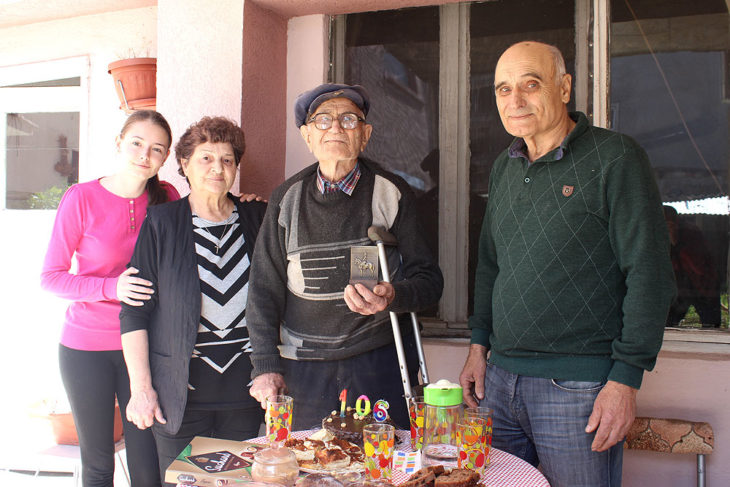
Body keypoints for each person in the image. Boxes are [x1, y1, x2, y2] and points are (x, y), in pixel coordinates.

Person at [458, 41, 675, 487]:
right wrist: (478, 348)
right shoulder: (504, 166)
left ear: (564, 87)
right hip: (499, 380)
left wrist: (625, 380)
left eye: (530, 84)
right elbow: (491, 266)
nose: (515, 100)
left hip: (578, 388)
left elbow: (649, 274)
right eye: (503, 89)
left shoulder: (615, 157)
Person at [246, 83, 443, 429]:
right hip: (304, 367)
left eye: (349, 120)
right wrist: (264, 366)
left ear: (365, 135)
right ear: (307, 136)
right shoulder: (286, 199)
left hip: (378, 360)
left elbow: (429, 281)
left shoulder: (390, 191)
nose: (335, 127)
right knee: (308, 456)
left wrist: (392, 295)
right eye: (323, 120)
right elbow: (264, 288)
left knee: (382, 456)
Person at [119, 117, 267, 485]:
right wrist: (141, 389)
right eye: (206, 158)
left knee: (237, 483)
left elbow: (276, 297)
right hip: (181, 397)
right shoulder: (162, 223)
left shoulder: (257, 217)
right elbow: (134, 313)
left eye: (227, 160)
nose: (218, 168)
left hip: (244, 394)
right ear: (184, 164)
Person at [40, 110, 180, 486]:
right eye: (136, 143)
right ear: (119, 143)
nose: (144, 155)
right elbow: (51, 278)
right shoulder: (81, 198)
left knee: (147, 465)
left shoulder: (167, 197)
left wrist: (245, 205)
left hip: (147, 347)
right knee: (99, 464)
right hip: (87, 348)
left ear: (165, 158)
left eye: (156, 149)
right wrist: (110, 287)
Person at [663, 205, 721, 327]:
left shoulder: (690, 232)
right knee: (667, 322)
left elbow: (698, 266)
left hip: (703, 285)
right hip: (679, 286)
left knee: (710, 324)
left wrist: (675, 240)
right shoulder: (660, 234)